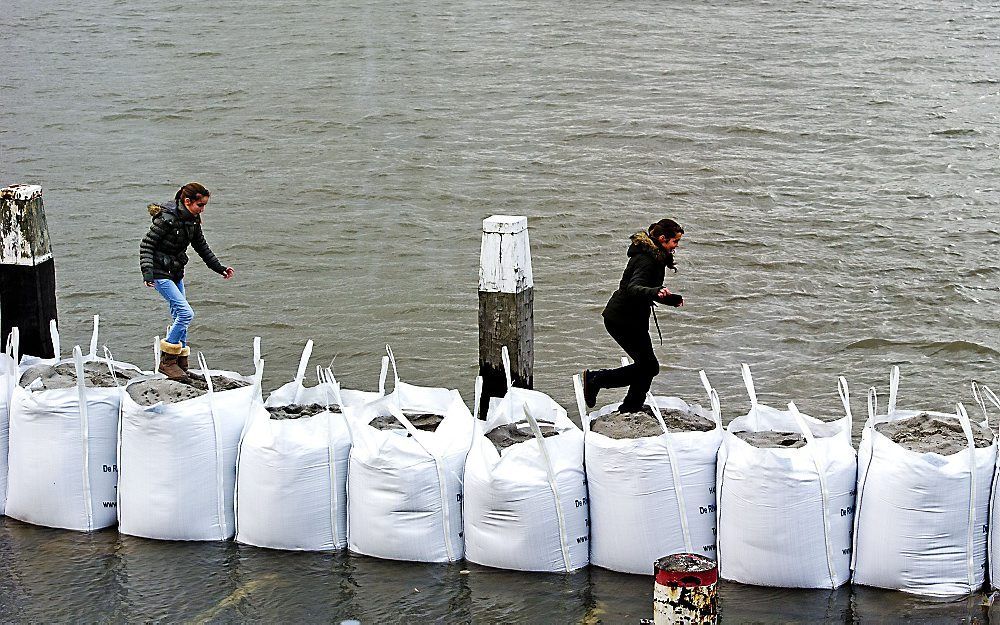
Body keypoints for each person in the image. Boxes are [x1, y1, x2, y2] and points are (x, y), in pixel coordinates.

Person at [582, 219, 685, 414]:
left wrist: (668, 299)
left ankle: (631, 406)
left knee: (648, 366)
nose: (676, 246)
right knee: (649, 366)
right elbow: (633, 288)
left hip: (632, 319)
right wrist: (656, 292)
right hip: (622, 320)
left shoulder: (655, 256)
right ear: (663, 239)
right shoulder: (646, 259)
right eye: (675, 241)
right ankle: (597, 380)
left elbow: (644, 290)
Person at [139, 182, 234, 379]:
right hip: (159, 272)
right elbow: (146, 245)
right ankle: (167, 361)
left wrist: (220, 268)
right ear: (187, 201)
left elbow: (202, 247)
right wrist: (147, 273)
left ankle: (181, 364)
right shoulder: (166, 220)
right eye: (200, 205)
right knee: (185, 313)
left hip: (175, 272)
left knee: (179, 317)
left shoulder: (193, 220)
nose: (203, 209)